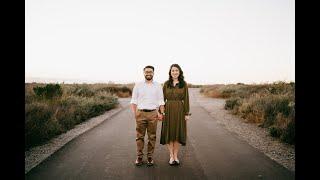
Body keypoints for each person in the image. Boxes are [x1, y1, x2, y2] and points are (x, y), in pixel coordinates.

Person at [130, 65, 165, 166]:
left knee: (152, 137)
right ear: (143, 73)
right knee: (139, 137)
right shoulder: (138, 85)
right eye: (147, 72)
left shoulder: (158, 86)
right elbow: (134, 100)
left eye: (150, 72)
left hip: (153, 113)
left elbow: (161, 101)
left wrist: (161, 113)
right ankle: (139, 157)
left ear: (153, 73)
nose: (148, 73)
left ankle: (150, 157)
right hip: (140, 113)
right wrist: (135, 113)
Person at [160, 64, 191, 166]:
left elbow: (186, 99)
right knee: (169, 132)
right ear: (170, 72)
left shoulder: (183, 84)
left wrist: (187, 113)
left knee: (177, 132)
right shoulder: (166, 84)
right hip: (168, 109)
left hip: (179, 110)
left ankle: (176, 156)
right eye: (173, 70)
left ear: (179, 72)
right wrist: (161, 112)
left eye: (176, 70)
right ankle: (171, 155)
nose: (174, 72)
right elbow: (162, 99)